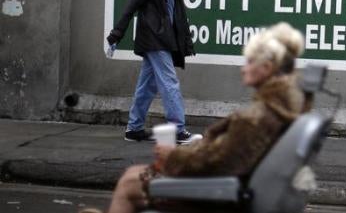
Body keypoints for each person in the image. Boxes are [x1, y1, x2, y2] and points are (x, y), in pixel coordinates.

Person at [102, 22, 308, 213]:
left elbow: (217, 162)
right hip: (229, 184)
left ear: (266, 68)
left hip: (214, 192)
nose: (243, 68)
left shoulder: (254, 119)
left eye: (250, 61)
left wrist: (172, 156)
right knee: (134, 174)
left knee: (129, 181)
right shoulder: (281, 111)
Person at [106, 0, 196, 144]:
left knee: (147, 84)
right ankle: (177, 130)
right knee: (169, 82)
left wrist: (185, 41)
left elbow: (178, 14)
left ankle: (134, 128)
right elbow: (132, 3)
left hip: (165, 38)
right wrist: (117, 34)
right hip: (154, 37)